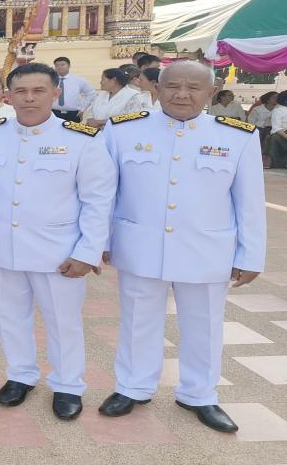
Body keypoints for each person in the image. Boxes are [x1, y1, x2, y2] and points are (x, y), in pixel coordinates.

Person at [98, 60, 266, 433]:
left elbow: (250, 202)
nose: (182, 95)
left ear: (211, 92)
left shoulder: (237, 136)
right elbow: (105, 192)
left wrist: (251, 255)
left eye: (193, 87)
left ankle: (199, 394)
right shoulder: (123, 129)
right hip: (140, 243)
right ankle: (133, 387)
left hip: (207, 248)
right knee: (138, 320)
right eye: (173, 86)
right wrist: (100, 240)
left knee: (204, 324)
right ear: (157, 88)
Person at [0, 63, 115, 421]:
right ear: (8, 96)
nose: (29, 98)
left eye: (38, 91)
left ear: (55, 93)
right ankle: (20, 375)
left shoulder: (81, 139)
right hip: (4, 247)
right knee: (10, 317)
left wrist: (87, 252)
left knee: (63, 322)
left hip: (59, 252)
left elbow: (98, 201)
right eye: (21, 91)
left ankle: (68, 385)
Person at [51, 57, 96, 123]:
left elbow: (91, 93)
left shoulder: (79, 80)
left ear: (69, 66)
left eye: (62, 65)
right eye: (57, 65)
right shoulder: (50, 80)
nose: (59, 67)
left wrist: (83, 109)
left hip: (73, 114)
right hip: (53, 113)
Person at [264, 91, 287, 169]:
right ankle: (271, 161)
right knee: (274, 137)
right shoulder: (278, 110)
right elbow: (276, 128)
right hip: (282, 134)